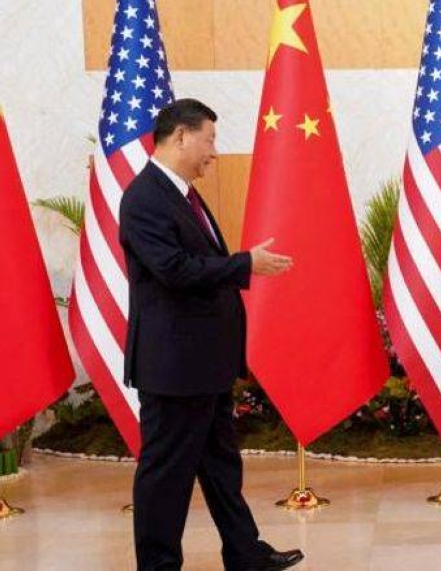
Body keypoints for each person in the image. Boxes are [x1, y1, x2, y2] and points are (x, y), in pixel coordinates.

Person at [119, 98, 303, 571]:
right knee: (166, 476)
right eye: (210, 139)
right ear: (181, 136)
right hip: (174, 368)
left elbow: (198, 264)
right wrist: (244, 263)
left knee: (221, 466)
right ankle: (157, 565)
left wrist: (240, 263)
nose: (215, 152)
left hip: (204, 364)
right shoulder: (143, 198)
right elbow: (174, 269)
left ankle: (245, 554)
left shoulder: (182, 195)